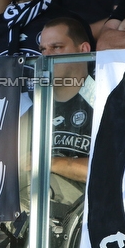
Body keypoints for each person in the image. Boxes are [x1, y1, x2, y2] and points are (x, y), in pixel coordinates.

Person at [39, 15, 93, 188]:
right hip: (38, 206)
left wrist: (50, 163)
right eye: (42, 50)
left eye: (56, 47)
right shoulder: (36, 104)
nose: (46, 56)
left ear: (84, 49)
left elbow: (113, 166)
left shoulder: (107, 99)